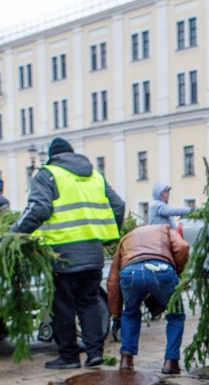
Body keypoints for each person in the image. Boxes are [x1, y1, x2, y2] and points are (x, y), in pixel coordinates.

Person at [9, 137, 125, 369]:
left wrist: (12, 234)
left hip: (61, 254)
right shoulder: (94, 176)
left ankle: (69, 357)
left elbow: (39, 208)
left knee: (63, 306)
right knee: (89, 302)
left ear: (53, 156)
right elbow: (119, 205)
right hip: (92, 253)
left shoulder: (48, 174)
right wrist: (108, 236)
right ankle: (94, 354)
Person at [107, 224, 189, 374]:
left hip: (130, 271)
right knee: (175, 315)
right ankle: (171, 362)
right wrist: (176, 270)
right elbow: (182, 246)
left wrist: (116, 314)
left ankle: (126, 360)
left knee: (130, 313)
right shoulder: (165, 229)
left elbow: (112, 280)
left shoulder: (126, 238)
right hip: (161, 268)